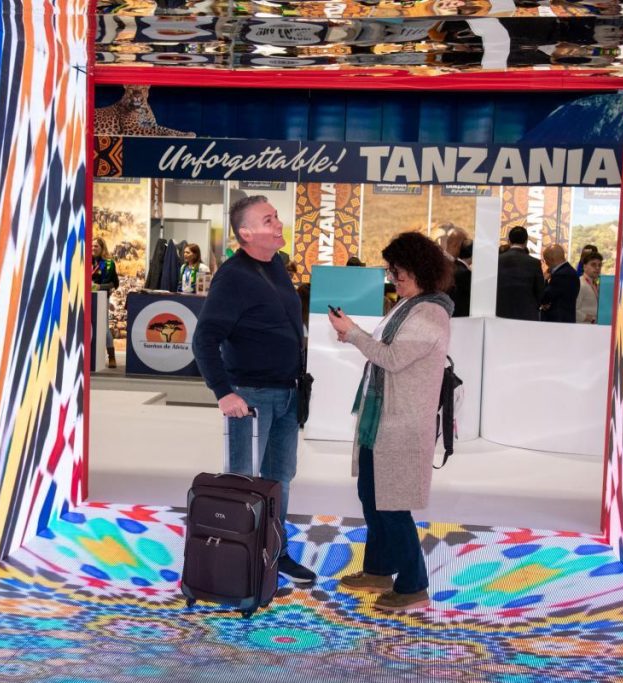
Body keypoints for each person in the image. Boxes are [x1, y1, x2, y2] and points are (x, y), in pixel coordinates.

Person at [192, 195, 317, 585]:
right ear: (245, 233)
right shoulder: (234, 277)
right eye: (268, 220)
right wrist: (223, 392)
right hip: (251, 398)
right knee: (243, 483)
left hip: (287, 394)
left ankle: (275, 553)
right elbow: (204, 339)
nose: (278, 224)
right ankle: (239, 564)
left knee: (279, 480)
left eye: (276, 216)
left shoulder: (276, 265)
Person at [327, 231, 454, 612]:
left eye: (398, 272)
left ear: (419, 270)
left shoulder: (429, 312)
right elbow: (386, 349)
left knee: (393, 505)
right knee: (372, 496)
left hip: (402, 422)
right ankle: (379, 570)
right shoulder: (410, 305)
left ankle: (413, 585)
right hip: (382, 419)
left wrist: (353, 334)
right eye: (391, 271)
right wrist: (354, 334)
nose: (393, 278)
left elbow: (393, 358)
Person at [496, 226, 544, 321]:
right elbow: (540, 291)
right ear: (526, 242)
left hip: (501, 312)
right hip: (527, 314)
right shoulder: (534, 262)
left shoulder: (498, 260)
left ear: (509, 241)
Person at [91, 237, 120, 368]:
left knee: (104, 328)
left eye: (96, 246)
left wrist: (99, 287)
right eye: (92, 246)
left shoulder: (109, 264)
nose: (93, 248)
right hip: (86, 298)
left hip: (102, 298)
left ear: (102, 248)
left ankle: (111, 356)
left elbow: (114, 284)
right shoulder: (85, 261)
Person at [540, 244, 581, 323]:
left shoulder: (561, 274)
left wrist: (544, 280)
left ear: (551, 259)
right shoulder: (570, 271)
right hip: (564, 320)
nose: (546, 263)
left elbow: (545, 297)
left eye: (545, 260)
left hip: (558, 321)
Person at [576, 251, 603, 323]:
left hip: (595, 326)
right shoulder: (580, 284)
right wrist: (592, 319)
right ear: (584, 267)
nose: (597, 268)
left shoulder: (596, 284)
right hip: (583, 327)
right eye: (593, 265)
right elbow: (573, 310)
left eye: (600, 265)